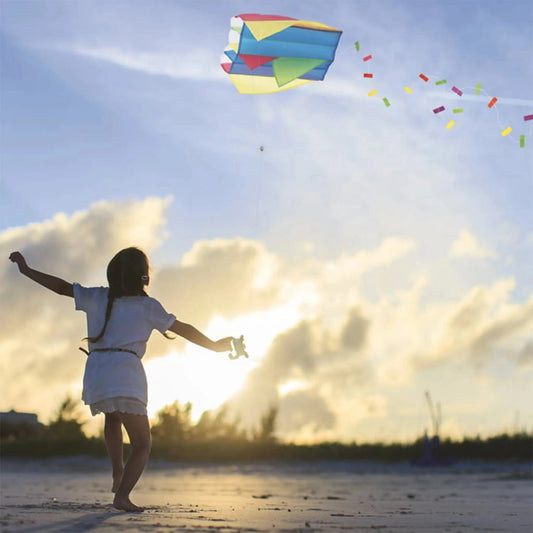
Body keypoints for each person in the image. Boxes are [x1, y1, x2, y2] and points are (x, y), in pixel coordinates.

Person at [9, 247, 233, 512]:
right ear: (144, 277)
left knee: (113, 417)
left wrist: (26, 270)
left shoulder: (97, 296)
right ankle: (123, 496)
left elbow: (60, 287)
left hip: (97, 371)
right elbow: (183, 329)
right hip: (126, 373)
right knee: (142, 444)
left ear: (112, 275)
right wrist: (215, 345)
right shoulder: (147, 306)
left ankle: (117, 473)